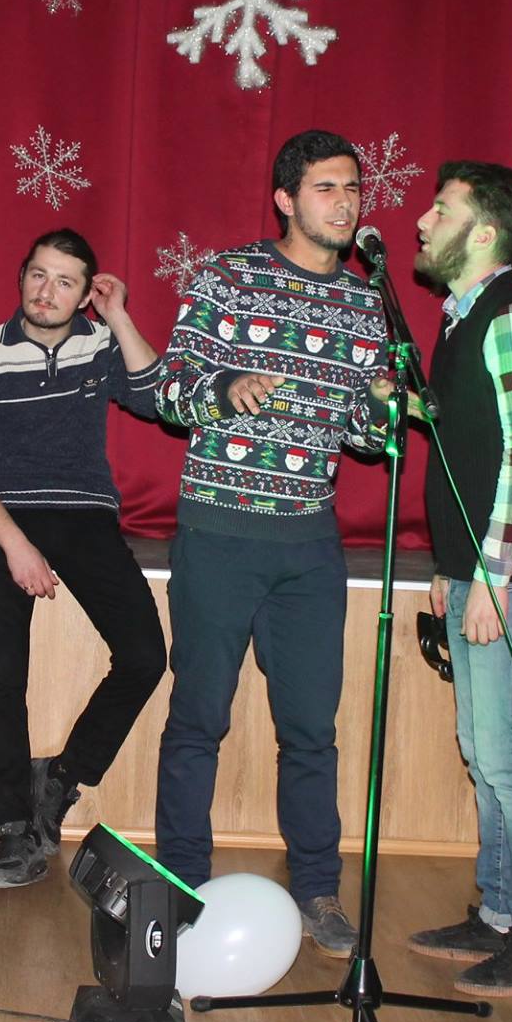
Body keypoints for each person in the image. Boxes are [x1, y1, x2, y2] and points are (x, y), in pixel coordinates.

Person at [152, 129, 393, 957]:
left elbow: (364, 437)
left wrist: (385, 405)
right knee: (198, 719)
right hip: (220, 530)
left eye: (353, 188)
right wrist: (226, 386)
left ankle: (318, 890)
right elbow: (169, 390)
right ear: (287, 199)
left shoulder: (367, 303)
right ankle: (181, 883)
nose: (346, 202)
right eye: (327, 187)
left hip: (310, 543)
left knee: (311, 729)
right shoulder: (228, 276)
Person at [402, 162, 512, 997]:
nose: (422, 221)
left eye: (441, 210)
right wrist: (452, 568)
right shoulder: (462, 318)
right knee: (484, 751)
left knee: (509, 756)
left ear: (482, 232)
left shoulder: (511, 319)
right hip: (483, 570)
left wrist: (494, 574)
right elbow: (464, 452)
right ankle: (502, 912)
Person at [0, 229, 167, 889]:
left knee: (145, 656)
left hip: (84, 515)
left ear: (85, 293)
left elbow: (156, 397)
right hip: (4, 517)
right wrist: (15, 545)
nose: (47, 291)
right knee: (4, 675)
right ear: (21, 276)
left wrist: (119, 316)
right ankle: (14, 831)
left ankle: (61, 779)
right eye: (38, 275)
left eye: (66, 281)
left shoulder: (100, 345)